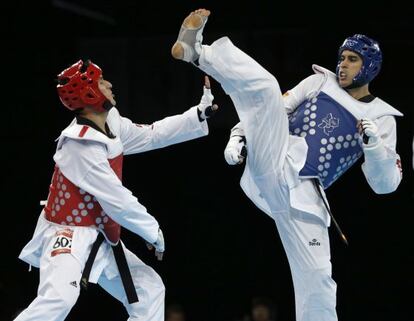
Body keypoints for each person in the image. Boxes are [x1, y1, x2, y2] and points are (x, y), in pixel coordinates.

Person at [171, 9, 403, 321]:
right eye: (342, 57)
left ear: (370, 66)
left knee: (319, 282)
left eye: (352, 59)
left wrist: (374, 148)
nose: (342, 64)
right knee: (266, 87)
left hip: (305, 199)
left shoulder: (382, 117)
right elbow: (272, 110)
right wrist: (238, 135)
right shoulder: (319, 82)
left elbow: (385, 185)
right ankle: (197, 51)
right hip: (277, 158)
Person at [14, 59, 218, 321]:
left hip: (100, 232)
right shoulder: (79, 145)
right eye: (101, 82)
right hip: (68, 233)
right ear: (89, 94)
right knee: (58, 299)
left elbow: (151, 135)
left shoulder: (110, 122)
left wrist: (196, 116)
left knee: (148, 290)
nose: (109, 84)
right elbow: (116, 200)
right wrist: (152, 229)